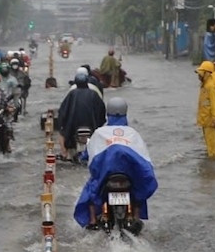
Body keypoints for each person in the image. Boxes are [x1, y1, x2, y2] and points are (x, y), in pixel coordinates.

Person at [75, 96, 157, 227]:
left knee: (91, 189)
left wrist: (83, 157)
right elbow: (145, 157)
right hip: (129, 177)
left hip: (105, 177)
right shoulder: (133, 133)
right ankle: (136, 216)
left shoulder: (99, 133)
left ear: (108, 114)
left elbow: (89, 152)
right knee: (139, 188)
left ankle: (92, 220)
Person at [55, 68, 107, 158]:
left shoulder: (71, 94)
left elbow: (63, 111)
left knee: (61, 134)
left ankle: (64, 153)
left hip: (72, 127)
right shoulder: (94, 93)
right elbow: (102, 111)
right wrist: (99, 123)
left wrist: (60, 124)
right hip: (92, 125)